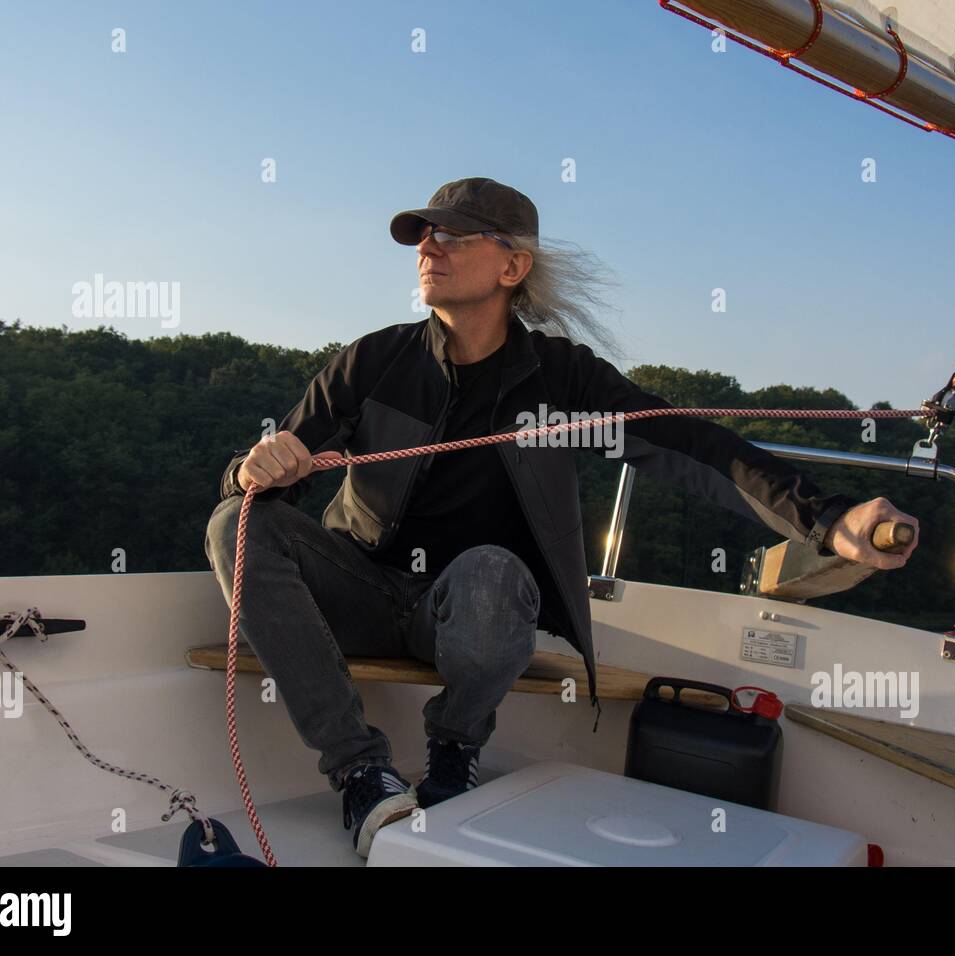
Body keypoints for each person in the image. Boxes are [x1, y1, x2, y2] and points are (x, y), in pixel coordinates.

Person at [204, 176, 919, 858]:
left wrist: (826, 520)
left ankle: (454, 747)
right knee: (234, 522)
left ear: (513, 264)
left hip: (467, 613)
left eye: (453, 235)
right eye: (423, 235)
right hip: (358, 587)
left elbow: (693, 446)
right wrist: (251, 467)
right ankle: (363, 774)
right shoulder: (373, 361)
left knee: (492, 571)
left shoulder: (562, 377)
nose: (428, 247)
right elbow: (272, 478)